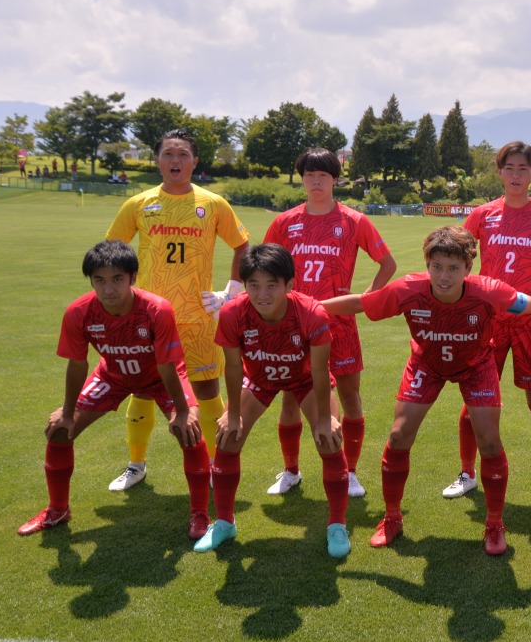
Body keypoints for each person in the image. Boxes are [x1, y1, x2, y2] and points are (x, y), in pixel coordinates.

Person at [322, 225, 531, 555]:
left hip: (476, 366)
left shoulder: (490, 292)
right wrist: (306, 305)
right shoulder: (407, 289)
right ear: (427, 265)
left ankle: (494, 524)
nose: (444, 276)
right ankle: (391, 518)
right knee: (399, 435)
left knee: (490, 441)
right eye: (437, 267)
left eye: (453, 268)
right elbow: (361, 303)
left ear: (468, 268)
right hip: (426, 364)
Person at [17, 241, 211, 538]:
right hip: (113, 375)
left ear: (133, 277)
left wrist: (183, 412)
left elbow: (166, 366)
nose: (108, 289)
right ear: (91, 281)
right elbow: (77, 364)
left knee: (188, 431)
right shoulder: (78, 312)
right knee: (60, 430)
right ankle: (57, 510)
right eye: (99, 280)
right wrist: (67, 412)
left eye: (117, 279)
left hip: (160, 377)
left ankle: (200, 513)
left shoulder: (156, 310)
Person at [105, 129, 250, 493]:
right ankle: (136, 464)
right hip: (148, 319)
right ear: (157, 160)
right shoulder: (138, 204)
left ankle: (217, 465)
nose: (175, 160)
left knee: (207, 390)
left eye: (183, 154)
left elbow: (242, 245)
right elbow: (111, 252)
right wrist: (122, 294)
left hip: (198, 317)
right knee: (142, 390)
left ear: (194, 162)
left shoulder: (213, 203)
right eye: (168, 154)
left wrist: (231, 291)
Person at [443, 141, 531, 507]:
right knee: (474, 401)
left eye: (523, 168)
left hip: (529, 325)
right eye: (510, 168)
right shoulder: (482, 215)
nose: (516, 175)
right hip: (487, 323)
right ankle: (467, 473)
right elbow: (455, 257)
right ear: (500, 172)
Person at [194, 244, 351, 558]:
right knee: (227, 438)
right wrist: (233, 413)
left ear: (289, 285)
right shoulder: (233, 312)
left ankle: (337, 524)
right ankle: (224, 522)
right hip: (260, 378)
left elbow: (320, 370)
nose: (262, 294)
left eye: (271, 285)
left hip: (305, 379)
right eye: (253, 285)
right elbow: (234, 367)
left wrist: (325, 418)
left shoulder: (311, 312)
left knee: (329, 439)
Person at [262, 148, 397, 499]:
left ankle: (350, 472)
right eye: (309, 175)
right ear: (302, 179)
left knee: (350, 396)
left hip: (339, 324)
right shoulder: (284, 222)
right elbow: (264, 268)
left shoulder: (354, 221)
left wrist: (365, 299)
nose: (316, 181)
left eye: (322, 175)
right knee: (290, 400)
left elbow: (388, 263)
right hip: (293, 325)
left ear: (335, 179)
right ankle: (291, 470)